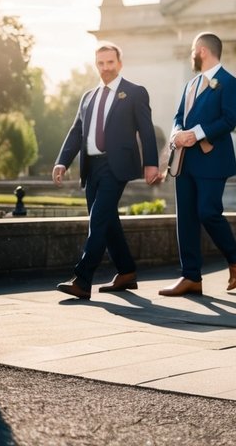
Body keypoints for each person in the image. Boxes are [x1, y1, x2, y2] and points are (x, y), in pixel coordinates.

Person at [53, 43, 160, 300]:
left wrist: (152, 164)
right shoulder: (88, 97)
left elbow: (146, 130)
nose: (106, 68)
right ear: (96, 65)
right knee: (107, 219)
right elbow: (77, 132)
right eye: (101, 63)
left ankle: (82, 279)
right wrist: (62, 161)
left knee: (98, 219)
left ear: (119, 63)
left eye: (110, 62)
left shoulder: (135, 92)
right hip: (91, 167)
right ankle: (126, 272)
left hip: (117, 166)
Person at [158, 32, 236, 297]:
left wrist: (195, 133)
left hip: (212, 161)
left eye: (192, 50)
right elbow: (178, 116)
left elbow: (230, 120)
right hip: (185, 162)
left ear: (202, 51)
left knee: (207, 212)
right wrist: (177, 133)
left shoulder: (229, 83)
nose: (191, 55)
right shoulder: (190, 84)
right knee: (185, 218)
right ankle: (191, 277)